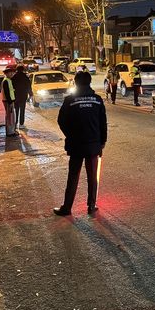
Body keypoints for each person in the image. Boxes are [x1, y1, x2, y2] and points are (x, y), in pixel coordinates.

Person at [54, 71, 107, 216]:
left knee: (73, 177)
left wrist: (71, 135)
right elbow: (103, 123)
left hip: (76, 144)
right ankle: (91, 206)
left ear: (75, 83)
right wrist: (102, 142)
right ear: (89, 82)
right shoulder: (97, 100)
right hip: (93, 145)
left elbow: (61, 121)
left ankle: (67, 208)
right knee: (92, 177)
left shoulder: (70, 100)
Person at [11, 65, 32, 129]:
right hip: (23, 96)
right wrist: (30, 93)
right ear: (23, 69)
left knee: (16, 110)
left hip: (15, 96)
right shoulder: (25, 77)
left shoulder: (14, 77)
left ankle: (15, 123)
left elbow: (11, 86)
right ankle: (21, 124)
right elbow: (28, 86)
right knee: (22, 110)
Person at [2, 65, 18, 137]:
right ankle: (10, 132)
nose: (12, 74)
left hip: (10, 101)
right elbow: (7, 92)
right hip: (8, 102)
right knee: (10, 117)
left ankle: (11, 131)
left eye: (12, 73)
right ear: (6, 74)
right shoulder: (6, 81)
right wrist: (10, 102)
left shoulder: (8, 80)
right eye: (10, 73)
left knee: (11, 116)